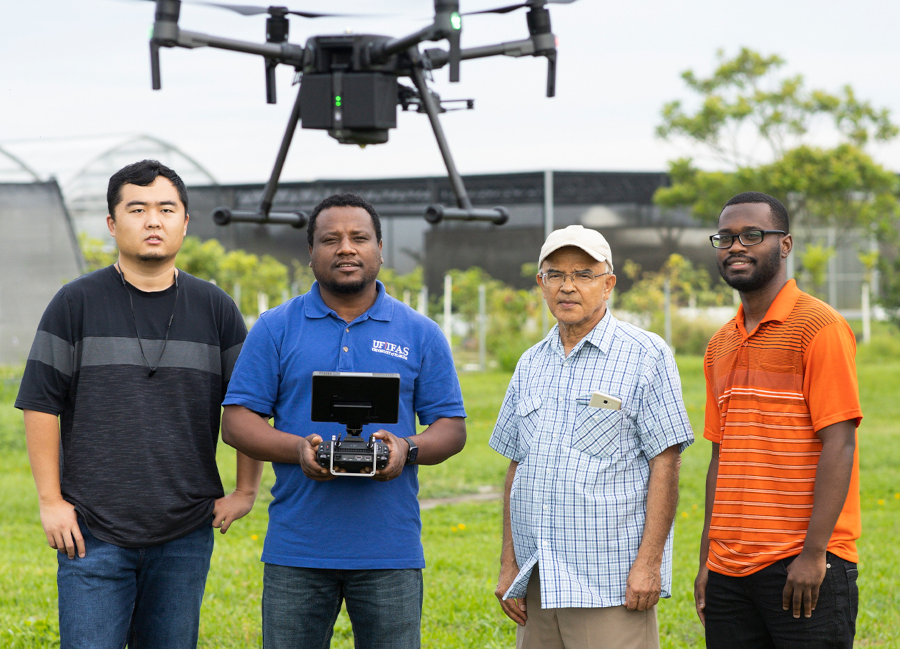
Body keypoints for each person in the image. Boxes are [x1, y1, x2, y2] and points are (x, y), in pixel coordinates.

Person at [15, 159, 263, 649]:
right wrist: (51, 502)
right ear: (112, 223)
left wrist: (246, 490)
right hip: (91, 530)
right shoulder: (75, 303)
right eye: (138, 209)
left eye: (167, 209)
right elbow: (41, 404)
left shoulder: (216, 308)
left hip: (185, 531)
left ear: (185, 222)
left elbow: (247, 404)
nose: (154, 221)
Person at [221, 192, 467, 649]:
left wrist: (405, 449)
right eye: (330, 239)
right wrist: (297, 449)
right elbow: (236, 422)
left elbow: (451, 428)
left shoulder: (419, 332)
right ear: (310, 253)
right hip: (298, 548)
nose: (346, 248)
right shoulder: (275, 328)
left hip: (389, 550)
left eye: (359, 238)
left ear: (379, 248)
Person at [490, 225, 694, 649]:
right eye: (555, 275)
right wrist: (509, 565)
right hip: (538, 579)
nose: (568, 286)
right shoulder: (530, 363)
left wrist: (649, 565)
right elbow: (517, 467)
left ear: (608, 284)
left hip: (609, 582)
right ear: (541, 284)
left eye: (584, 273)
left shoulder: (645, 354)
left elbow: (666, 462)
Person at [694, 192, 861, 649]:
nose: (735, 247)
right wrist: (709, 559)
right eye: (725, 238)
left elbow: (840, 445)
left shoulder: (819, 327)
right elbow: (720, 458)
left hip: (801, 564)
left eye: (752, 235)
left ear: (784, 245)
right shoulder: (719, 345)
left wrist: (814, 555)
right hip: (729, 571)